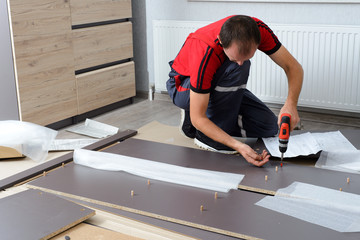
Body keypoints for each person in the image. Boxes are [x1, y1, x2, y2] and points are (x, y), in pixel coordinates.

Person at [166, 15, 303, 167]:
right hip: (183, 87)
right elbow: (198, 118)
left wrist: (291, 104)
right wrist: (238, 146)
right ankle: (204, 134)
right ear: (220, 40)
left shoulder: (258, 30)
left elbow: (294, 67)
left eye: (246, 57)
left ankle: (212, 120)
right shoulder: (206, 51)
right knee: (237, 69)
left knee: (269, 126)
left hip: (218, 83)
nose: (240, 62)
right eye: (235, 58)